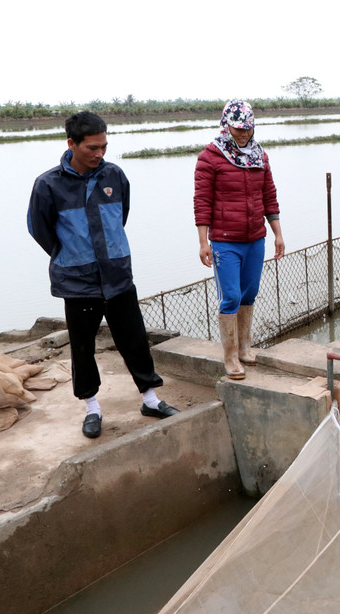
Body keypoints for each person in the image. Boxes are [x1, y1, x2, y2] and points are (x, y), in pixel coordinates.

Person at [27, 111, 179, 439]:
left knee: (135, 339)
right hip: (78, 281)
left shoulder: (115, 176)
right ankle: (92, 407)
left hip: (118, 274)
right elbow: (40, 231)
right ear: (72, 144)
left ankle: (150, 399)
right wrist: (71, 254)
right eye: (92, 148)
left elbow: (119, 218)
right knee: (83, 346)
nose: (99, 154)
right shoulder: (48, 185)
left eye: (104, 147)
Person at [194, 99, 285, 380]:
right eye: (238, 128)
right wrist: (203, 241)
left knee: (249, 293)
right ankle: (230, 356)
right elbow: (202, 202)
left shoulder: (260, 156)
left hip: (255, 237)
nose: (243, 133)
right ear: (226, 125)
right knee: (230, 296)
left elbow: (269, 196)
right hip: (224, 240)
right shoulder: (210, 157)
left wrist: (277, 233)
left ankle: (245, 347)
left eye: (247, 128)